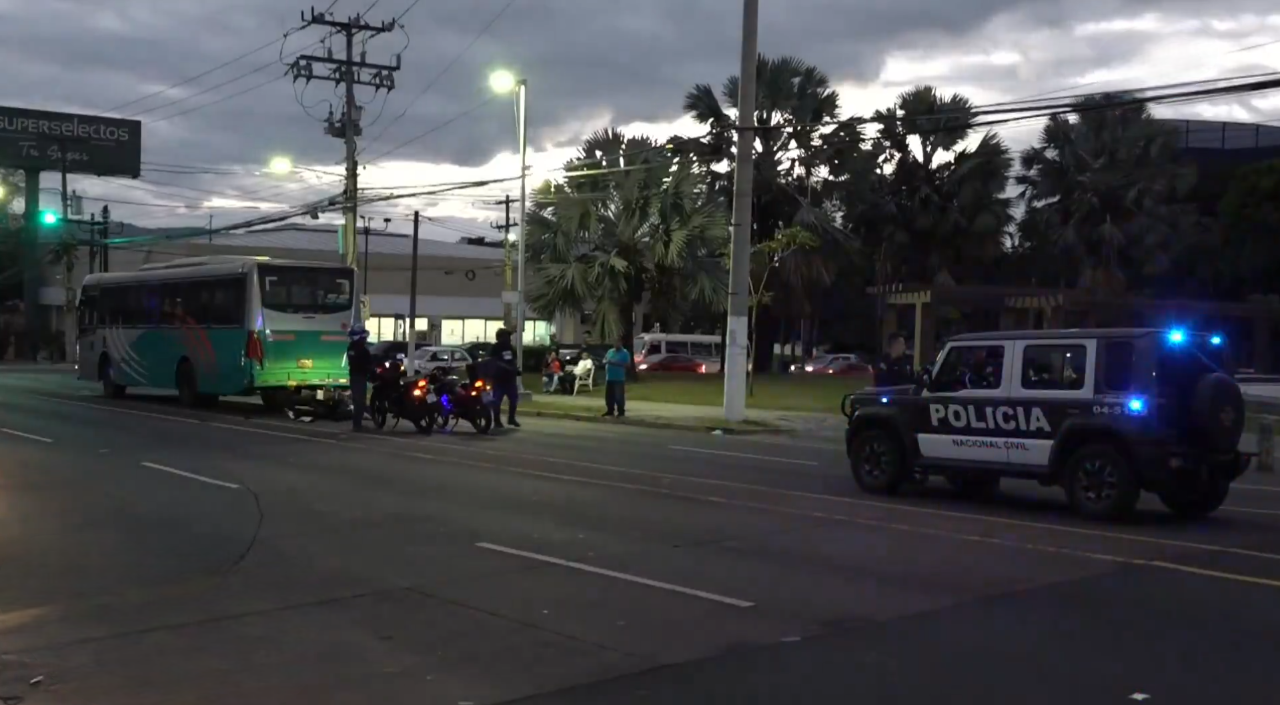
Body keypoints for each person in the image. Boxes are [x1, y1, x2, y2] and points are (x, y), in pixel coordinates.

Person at [488, 328, 520, 428]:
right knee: (497, 401)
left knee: (514, 399)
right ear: (501, 337)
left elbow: (514, 359)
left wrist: (515, 369)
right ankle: (497, 421)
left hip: (510, 379)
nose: (509, 339)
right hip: (499, 380)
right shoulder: (495, 348)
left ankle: (511, 418)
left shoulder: (510, 348)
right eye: (507, 337)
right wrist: (507, 368)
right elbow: (493, 362)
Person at [346, 323, 373, 432]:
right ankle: (357, 425)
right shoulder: (360, 349)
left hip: (356, 376)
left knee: (358, 401)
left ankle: (357, 424)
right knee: (359, 401)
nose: (365, 339)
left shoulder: (352, 348)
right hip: (359, 376)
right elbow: (366, 362)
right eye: (363, 337)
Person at [602, 336, 631, 417]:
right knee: (609, 396)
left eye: (617, 343)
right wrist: (606, 361)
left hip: (619, 377)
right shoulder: (610, 351)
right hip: (609, 377)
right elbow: (604, 359)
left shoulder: (625, 353)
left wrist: (615, 362)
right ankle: (610, 410)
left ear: (621, 343)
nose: (615, 344)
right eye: (614, 343)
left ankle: (621, 411)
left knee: (619, 396)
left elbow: (628, 365)